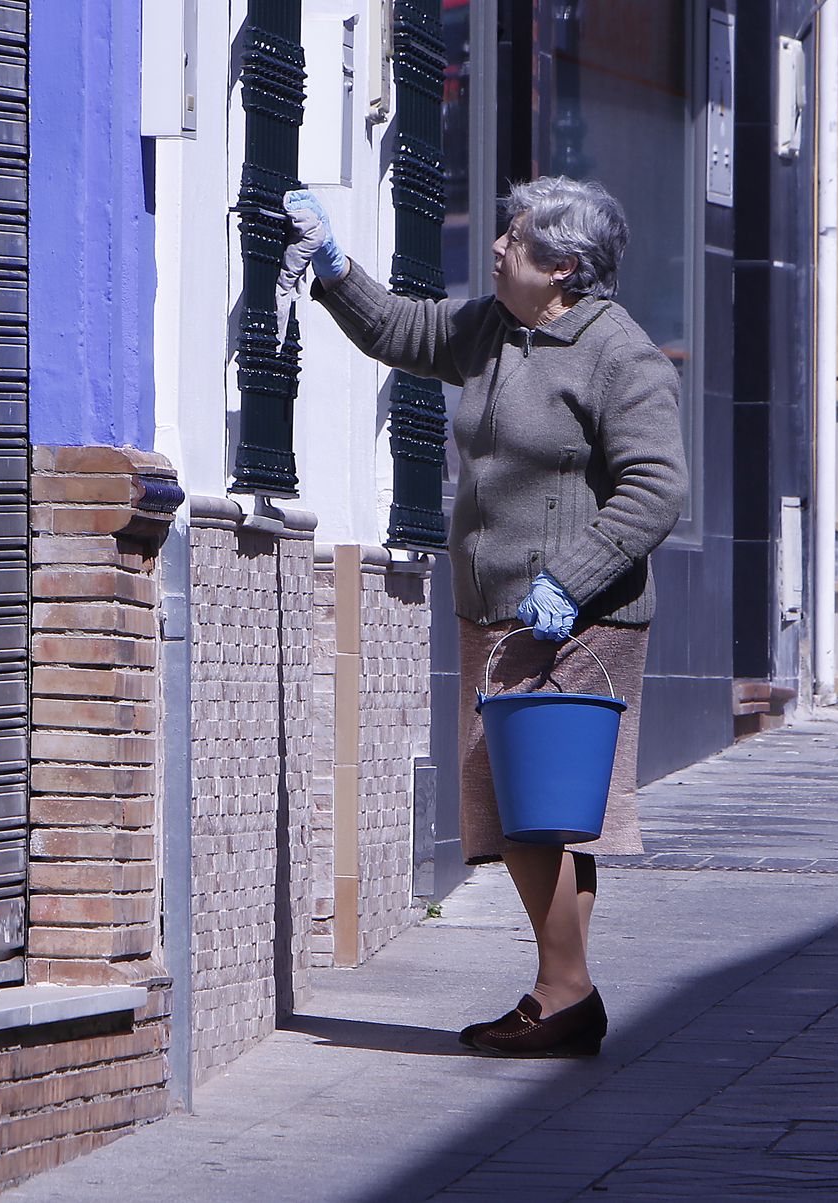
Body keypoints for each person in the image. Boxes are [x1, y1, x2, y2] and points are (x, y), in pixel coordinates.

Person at [282, 178, 687, 1057]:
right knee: (540, 808)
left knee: (533, 809)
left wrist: (570, 579)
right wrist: (334, 267)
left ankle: (564, 992)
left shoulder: (621, 357)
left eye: (517, 239)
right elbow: (403, 331)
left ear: (564, 267)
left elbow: (658, 487)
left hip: (577, 620)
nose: (498, 247)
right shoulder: (497, 328)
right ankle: (564, 991)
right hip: (496, 613)